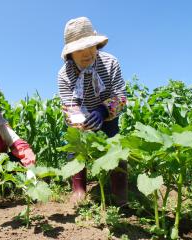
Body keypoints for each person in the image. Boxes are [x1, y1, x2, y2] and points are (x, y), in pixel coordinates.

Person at [57, 17, 128, 206]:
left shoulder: (110, 63)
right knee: (75, 148)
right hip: (81, 117)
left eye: (91, 46)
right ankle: (79, 190)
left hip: (107, 115)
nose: (87, 53)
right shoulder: (64, 74)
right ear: (70, 54)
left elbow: (121, 96)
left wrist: (103, 111)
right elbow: (69, 105)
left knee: (115, 146)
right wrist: (81, 120)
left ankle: (119, 190)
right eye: (79, 49)